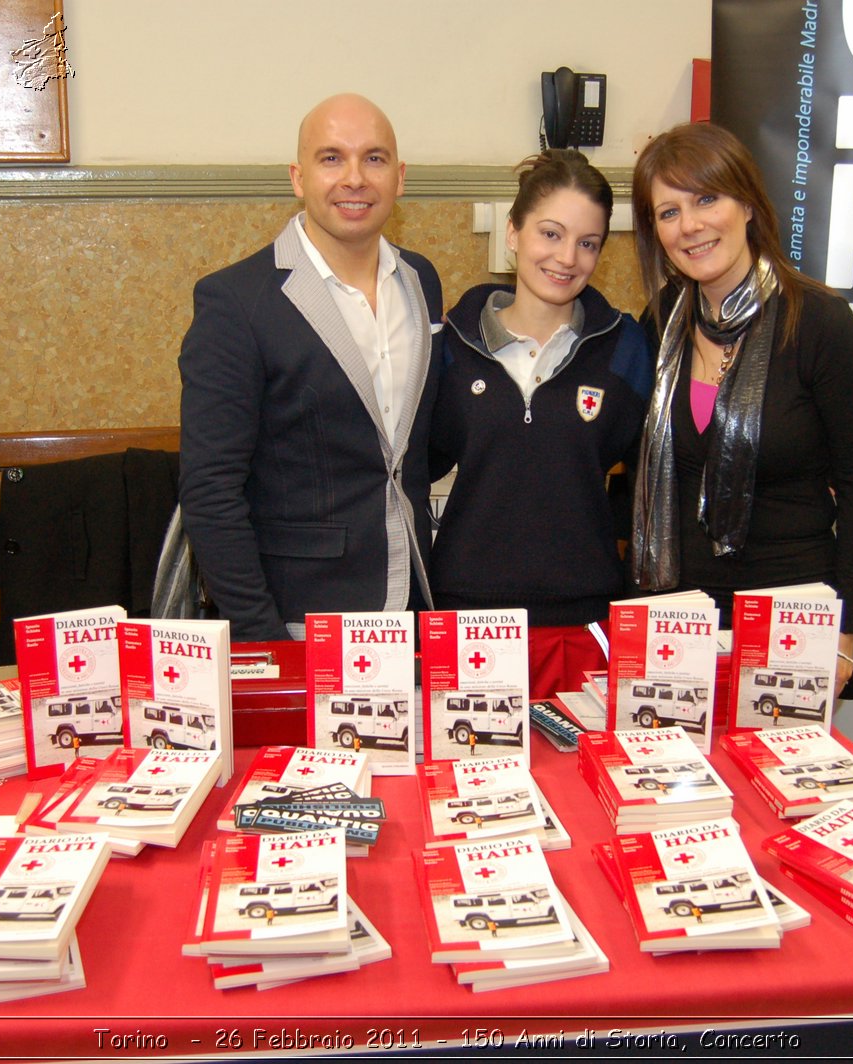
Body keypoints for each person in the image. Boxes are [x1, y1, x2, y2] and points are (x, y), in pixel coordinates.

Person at [629, 122, 853, 693]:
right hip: (675, 612)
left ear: (746, 202)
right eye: (667, 213)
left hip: (789, 611)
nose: (689, 225)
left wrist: (844, 636)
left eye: (706, 199)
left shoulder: (818, 323)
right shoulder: (663, 320)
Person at [178, 94, 442, 641]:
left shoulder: (420, 280)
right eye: (331, 158)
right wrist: (263, 638)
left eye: (374, 158)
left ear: (400, 177)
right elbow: (210, 491)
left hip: (411, 601)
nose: (354, 178)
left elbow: (408, 449)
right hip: (299, 618)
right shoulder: (236, 301)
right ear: (298, 178)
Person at [429, 149, 652, 698]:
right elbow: (419, 464)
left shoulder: (625, 348)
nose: (567, 257)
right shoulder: (449, 346)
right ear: (513, 232)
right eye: (550, 234)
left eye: (588, 243)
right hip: (467, 614)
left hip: (584, 620)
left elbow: (643, 473)